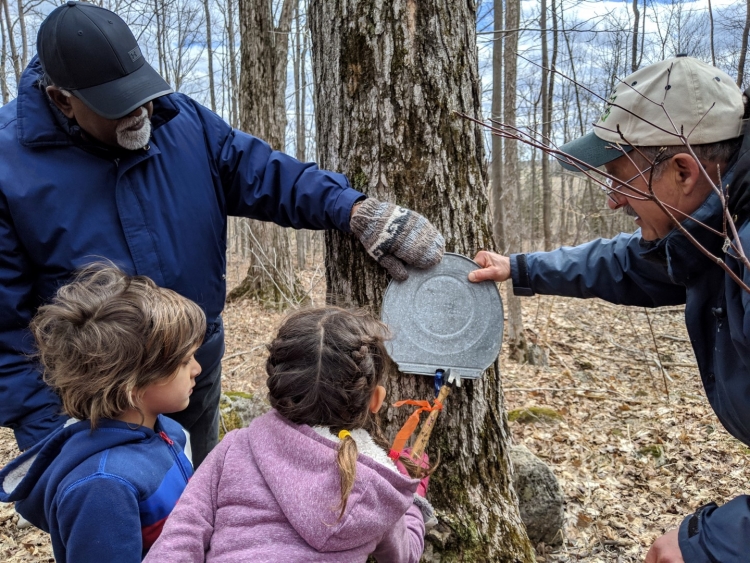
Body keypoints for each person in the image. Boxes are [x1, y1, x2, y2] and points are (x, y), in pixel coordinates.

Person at [0, 1, 444, 467]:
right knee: (113, 521)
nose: (141, 111)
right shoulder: (11, 166)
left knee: (199, 500)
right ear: (61, 100)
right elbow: (6, 331)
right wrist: (51, 439)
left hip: (193, 367)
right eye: (117, 103)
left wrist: (351, 209)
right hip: (96, 401)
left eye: (142, 91)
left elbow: (263, 173)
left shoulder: (182, 122)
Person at [469, 55, 750, 563]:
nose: (614, 200)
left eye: (622, 179)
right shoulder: (714, 233)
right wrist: (521, 268)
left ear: (683, 171)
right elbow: (629, 265)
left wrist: (719, 544)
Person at [142, 306, 434, 563]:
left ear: (277, 384)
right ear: (376, 399)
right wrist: (413, 502)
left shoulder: (235, 447)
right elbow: (404, 555)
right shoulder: (379, 483)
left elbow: (181, 539)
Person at [0, 265, 205, 563]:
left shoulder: (166, 431)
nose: (197, 369)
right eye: (185, 361)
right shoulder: (103, 487)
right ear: (132, 385)